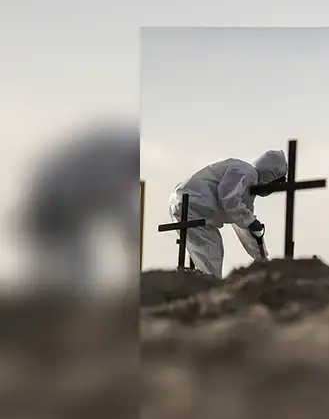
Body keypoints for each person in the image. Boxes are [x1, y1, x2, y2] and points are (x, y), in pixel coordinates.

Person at [19, 121, 141, 297]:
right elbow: (123, 213)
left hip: (56, 204)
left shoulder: (113, 154)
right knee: (71, 269)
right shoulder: (115, 165)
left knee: (74, 268)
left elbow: (122, 214)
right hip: (54, 206)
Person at [167, 149, 288, 278]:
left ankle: (206, 283)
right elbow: (228, 197)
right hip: (193, 205)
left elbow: (243, 225)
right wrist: (250, 221)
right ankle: (210, 288)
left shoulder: (246, 189)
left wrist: (261, 257)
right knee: (210, 253)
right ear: (270, 177)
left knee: (209, 253)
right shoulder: (246, 171)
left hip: (188, 204)